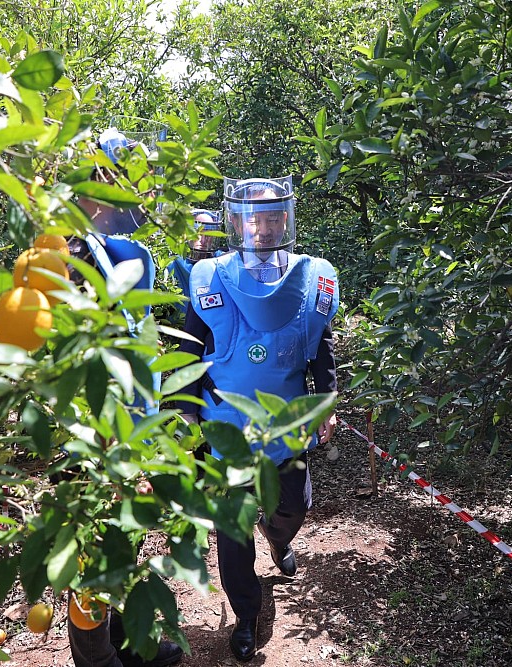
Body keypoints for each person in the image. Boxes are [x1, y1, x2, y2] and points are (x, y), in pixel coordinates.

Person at [175, 175, 339, 661]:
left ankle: (279, 535)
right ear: (238, 223)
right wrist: (184, 412)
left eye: (272, 218)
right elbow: (188, 351)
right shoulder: (209, 278)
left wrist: (326, 399)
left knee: (294, 507)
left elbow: (320, 347)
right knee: (232, 528)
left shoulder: (312, 278)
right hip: (226, 428)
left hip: (285, 425)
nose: (263, 229)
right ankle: (246, 615)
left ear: (285, 219)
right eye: (254, 219)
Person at [63, 128, 182, 667]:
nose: (145, 194)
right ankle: (95, 658)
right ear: (101, 181)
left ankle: (127, 644)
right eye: (134, 179)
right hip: (97, 436)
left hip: (129, 430)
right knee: (95, 548)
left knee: (122, 543)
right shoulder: (70, 250)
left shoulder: (112, 249)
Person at [165, 209, 224, 300]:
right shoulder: (175, 265)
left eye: (208, 234)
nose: (203, 240)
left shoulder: (222, 260)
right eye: (198, 233)